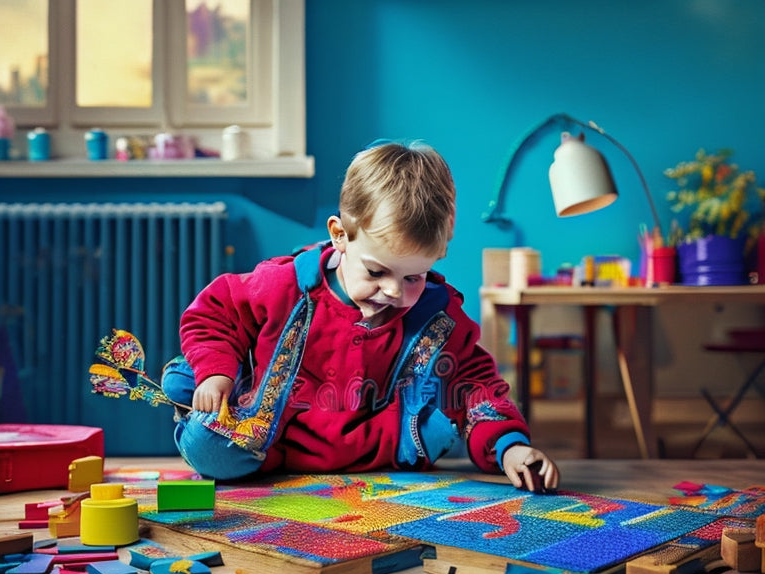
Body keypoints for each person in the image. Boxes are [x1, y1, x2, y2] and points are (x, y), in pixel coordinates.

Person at [161, 140, 559, 491]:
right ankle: (205, 381)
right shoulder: (284, 284)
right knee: (206, 443)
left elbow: (476, 384)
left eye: (413, 277)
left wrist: (511, 447)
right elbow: (214, 312)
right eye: (376, 271)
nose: (393, 291)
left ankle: (202, 384)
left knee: (446, 410)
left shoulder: (436, 315)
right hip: (277, 440)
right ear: (339, 236)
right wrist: (215, 372)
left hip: (377, 449)